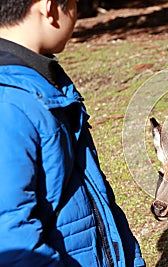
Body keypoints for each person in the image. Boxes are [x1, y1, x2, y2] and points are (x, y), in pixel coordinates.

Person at [0, 0, 145, 266]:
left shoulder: (44, 81)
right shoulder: (10, 103)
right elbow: (11, 239)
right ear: (50, 7)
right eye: (76, 3)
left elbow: (94, 196)